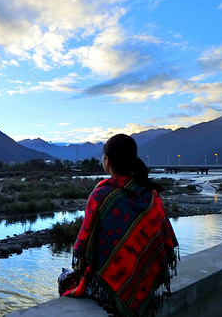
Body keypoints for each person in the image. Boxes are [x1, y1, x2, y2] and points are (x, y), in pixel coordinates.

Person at [61, 134, 178, 317]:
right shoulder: (150, 194)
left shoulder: (101, 195)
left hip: (108, 291)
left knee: (64, 280)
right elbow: (162, 240)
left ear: (106, 160)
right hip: (145, 282)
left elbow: (85, 250)